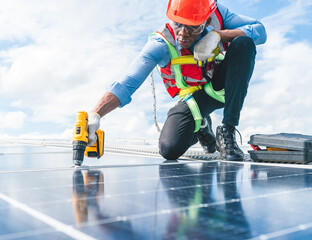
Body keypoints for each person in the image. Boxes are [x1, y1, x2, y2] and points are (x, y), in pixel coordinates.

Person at [86, 0, 267, 161]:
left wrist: (219, 35)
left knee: (244, 43)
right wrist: (95, 115)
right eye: (178, 24)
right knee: (169, 149)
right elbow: (128, 82)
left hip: (225, 86)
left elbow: (260, 30)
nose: (182, 34)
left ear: (207, 21)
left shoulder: (218, 14)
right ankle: (202, 125)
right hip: (196, 99)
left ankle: (227, 130)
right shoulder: (161, 44)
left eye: (192, 27)